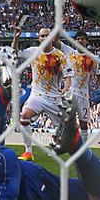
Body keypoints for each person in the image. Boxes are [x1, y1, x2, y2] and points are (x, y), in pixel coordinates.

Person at [13, 26, 72, 161]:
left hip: (54, 98)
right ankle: (28, 152)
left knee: (61, 131)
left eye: (47, 35)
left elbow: (68, 75)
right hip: (37, 95)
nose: (45, 38)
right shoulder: (33, 52)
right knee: (24, 116)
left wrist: (66, 89)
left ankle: (59, 148)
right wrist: (16, 38)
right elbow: (16, 53)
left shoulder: (59, 56)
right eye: (42, 36)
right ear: (39, 39)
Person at [68, 30, 100, 135]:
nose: (80, 41)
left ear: (87, 41)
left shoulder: (92, 58)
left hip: (83, 94)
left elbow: (98, 75)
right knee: (66, 121)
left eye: (82, 39)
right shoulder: (70, 53)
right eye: (78, 39)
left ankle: (84, 147)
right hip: (70, 93)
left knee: (84, 123)